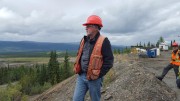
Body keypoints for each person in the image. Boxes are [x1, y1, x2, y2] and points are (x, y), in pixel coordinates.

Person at [73, 15, 114, 101]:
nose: (86, 28)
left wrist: (99, 75)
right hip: (81, 76)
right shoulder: (84, 40)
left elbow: (109, 61)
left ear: (96, 27)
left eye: (88, 26)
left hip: (94, 79)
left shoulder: (104, 41)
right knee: (76, 99)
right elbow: (79, 54)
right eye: (86, 26)